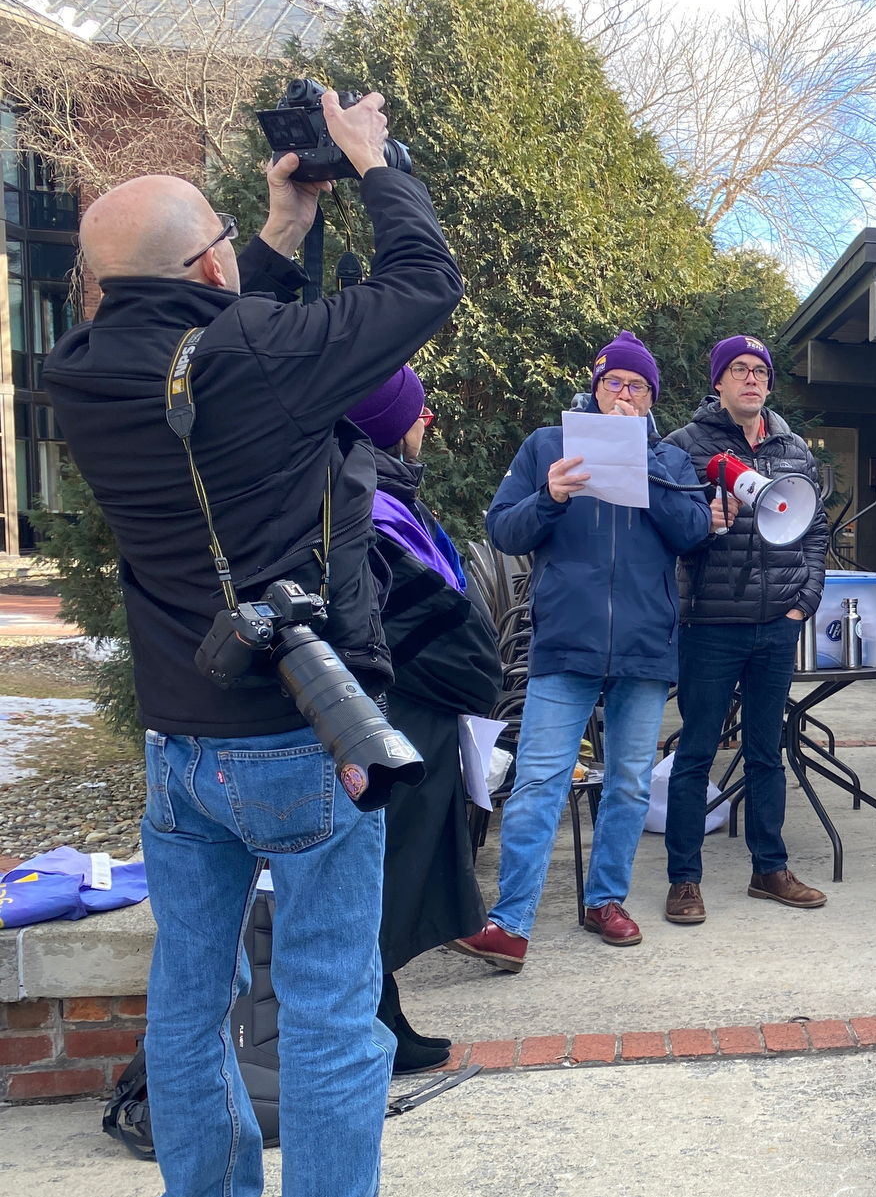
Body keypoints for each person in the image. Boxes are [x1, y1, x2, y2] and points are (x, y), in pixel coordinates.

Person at [43, 94, 477, 1197]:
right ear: (207, 266)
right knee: (337, 1010)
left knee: (190, 995)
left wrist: (283, 218)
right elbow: (423, 279)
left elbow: (216, 343)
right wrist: (372, 160)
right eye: (232, 241)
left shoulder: (78, 371)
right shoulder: (253, 358)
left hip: (182, 753)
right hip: (301, 739)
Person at [459, 334, 711, 965]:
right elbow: (502, 527)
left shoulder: (670, 458)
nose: (624, 396)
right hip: (564, 643)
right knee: (538, 781)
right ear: (595, 389)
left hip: (645, 644)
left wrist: (644, 473)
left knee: (626, 784)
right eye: (614, 384)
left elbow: (694, 531)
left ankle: (606, 901)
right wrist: (551, 496)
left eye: (637, 388)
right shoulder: (549, 447)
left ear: (652, 399)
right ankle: (510, 922)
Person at [348, 368, 502, 1073]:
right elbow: (412, 622)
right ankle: (370, 1023)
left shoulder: (388, 492)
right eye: (415, 411)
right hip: (401, 712)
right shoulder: (369, 508)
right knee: (385, 872)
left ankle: (384, 1012)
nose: (428, 419)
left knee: (397, 871)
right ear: (387, 423)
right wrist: (475, 674)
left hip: (423, 714)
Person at [661, 336, 832, 922]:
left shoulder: (792, 449)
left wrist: (803, 601)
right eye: (739, 370)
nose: (752, 380)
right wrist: (699, 524)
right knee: (697, 752)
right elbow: (662, 530)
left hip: (776, 622)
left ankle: (769, 868)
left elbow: (816, 529)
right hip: (710, 622)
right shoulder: (683, 447)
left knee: (766, 752)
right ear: (718, 382)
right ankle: (684, 879)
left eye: (760, 371)